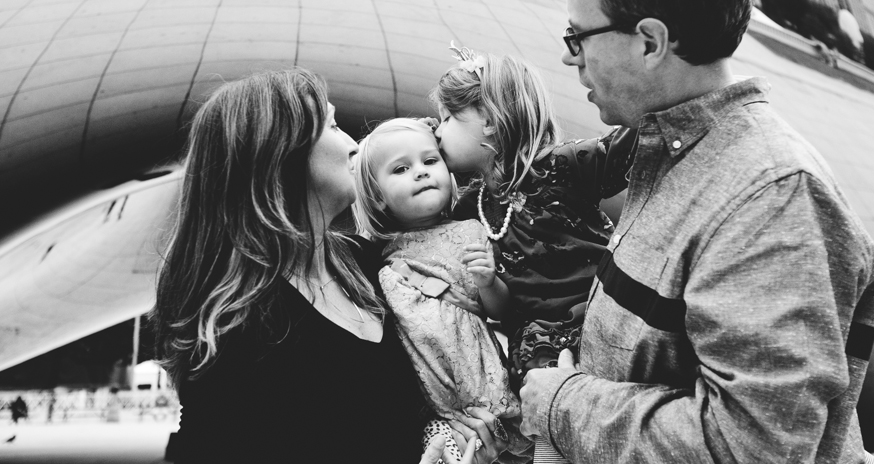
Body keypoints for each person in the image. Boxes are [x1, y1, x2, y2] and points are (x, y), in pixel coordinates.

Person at [519, 0, 874, 463]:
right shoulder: (671, 148)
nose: (569, 57)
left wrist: (561, 404)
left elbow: (752, 449)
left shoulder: (773, 200)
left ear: (649, 42)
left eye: (577, 35)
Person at [152, 70, 494, 463]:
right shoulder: (240, 324)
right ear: (283, 153)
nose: (353, 145)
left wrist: (458, 437)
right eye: (332, 125)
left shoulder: (370, 263)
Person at [430, 47, 635, 463]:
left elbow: (626, 149)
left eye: (449, 118)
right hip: (536, 355)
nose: (438, 131)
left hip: (596, 336)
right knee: (551, 446)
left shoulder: (561, 166)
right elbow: (504, 311)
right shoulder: (474, 207)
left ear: (489, 118)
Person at [352, 118, 525, 463]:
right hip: (432, 409)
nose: (421, 172)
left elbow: (499, 313)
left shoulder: (471, 232)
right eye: (401, 168)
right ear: (377, 197)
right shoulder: (374, 253)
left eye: (431, 161)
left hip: (486, 385)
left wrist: (488, 282)